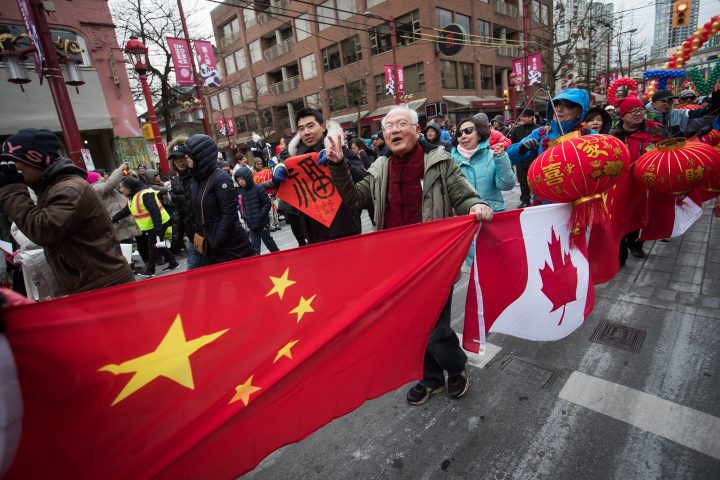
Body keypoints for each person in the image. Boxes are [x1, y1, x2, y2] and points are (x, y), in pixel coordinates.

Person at [326, 106, 493, 406]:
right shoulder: (379, 168)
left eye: (402, 124)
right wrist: (338, 164)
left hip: (435, 262)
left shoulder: (439, 162)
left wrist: (475, 205)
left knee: (435, 327)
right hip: (395, 266)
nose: (394, 130)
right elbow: (353, 197)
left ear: (417, 131)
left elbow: (463, 194)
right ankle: (431, 379)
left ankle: (455, 366)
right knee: (413, 327)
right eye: (388, 126)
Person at [0, 128, 134, 295]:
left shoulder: (68, 190)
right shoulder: (52, 188)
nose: (11, 171)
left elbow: (42, 230)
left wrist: (12, 190)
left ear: (35, 160)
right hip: (94, 282)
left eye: (13, 163)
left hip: (102, 285)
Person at [273, 107, 367, 244]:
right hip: (314, 233)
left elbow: (362, 177)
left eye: (310, 126)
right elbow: (288, 193)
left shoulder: (342, 151)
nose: (306, 132)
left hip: (346, 228)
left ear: (323, 126)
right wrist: (278, 178)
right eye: (301, 129)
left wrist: (339, 161)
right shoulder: (294, 160)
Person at [610, 96, 668, 263]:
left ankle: (636, 244)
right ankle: (620, 250)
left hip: (647, 182)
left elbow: (669, 152)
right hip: (621, 183)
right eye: (632, 111)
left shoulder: (656, 130)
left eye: (641, 110)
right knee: (621, 216)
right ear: (622, 115)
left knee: (642, 214)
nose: (638, 114)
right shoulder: (614, 134)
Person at [452, 116, 516, 265]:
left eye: (468, 131)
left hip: (493, 221)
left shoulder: (493, 155)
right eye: (459, 133)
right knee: (476, 269)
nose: (463, 136)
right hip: (467, 225)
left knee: (499, 266)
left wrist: (501, 158)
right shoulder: (450, 161)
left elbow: (507, 185)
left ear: (480, 133)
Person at [187, 134, 253, 265]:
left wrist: (217, 240)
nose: (186, 158)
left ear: (200, 155)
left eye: (189, 155)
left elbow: (229, 214)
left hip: (232, 247)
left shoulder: (220, 178)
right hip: (210, 247)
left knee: (247, 283)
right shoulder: (196, 180)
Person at [508, 88, 592, 170]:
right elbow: (508, 156)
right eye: (556, 104)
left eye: (567, 106)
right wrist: (521, 149)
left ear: (579, 113)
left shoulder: (589, 136)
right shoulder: (541, 133)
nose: (559, 109)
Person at [113, 176, 179, 277]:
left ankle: (150, 270)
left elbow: (155, 212)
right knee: (158, 244)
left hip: (159, 223)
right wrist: (114, 218)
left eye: (122, 187)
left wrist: (158, 229)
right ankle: (173, 263)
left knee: (151, 246)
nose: (120, 189)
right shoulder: (132, 196)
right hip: (152, 225)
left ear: (129, 187)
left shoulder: (145, 194)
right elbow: (126, 210)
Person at [167, 137, 202, 269]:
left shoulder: (199, 176)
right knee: (192, 270)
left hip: (209, 231)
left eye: (182, 157)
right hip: (193, 235)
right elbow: (178, 213)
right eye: (175, 159)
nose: (179, 161)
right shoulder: (175, 182)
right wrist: (175, 238)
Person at [89, 162, 140, 244]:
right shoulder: (96, 188)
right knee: (125, 249)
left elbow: (114, 182)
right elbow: (110, 183)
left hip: (122, 220)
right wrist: (119, 169)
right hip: (117, 223)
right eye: (101, 176)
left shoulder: (103, 186)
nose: (104, 176)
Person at [234, 166, 280, 255]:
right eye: (239, 180)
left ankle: (278, 256)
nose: (241, 181)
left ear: (247, 177)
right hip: (251, 223)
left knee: (268, 241)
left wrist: (260, 215)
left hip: (262, 222)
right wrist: (245, 217)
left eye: (242, 179)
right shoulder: (242, 191)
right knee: (255, 246)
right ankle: (256, 262)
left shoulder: (258, 188)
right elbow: (244, 206)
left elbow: (267, 203)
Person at [646, 89, 719, 137]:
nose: (669, 103)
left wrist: (713, 108)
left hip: (676, 154)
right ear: (654, 104)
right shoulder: (644, 118)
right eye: (665, 101)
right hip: (654, 154)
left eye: (671, 100)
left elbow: (698, 115)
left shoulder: (679, 114)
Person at [508, 109, 537, 208]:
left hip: (535, 161)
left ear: (531, 117)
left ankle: (538, 199)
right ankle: (525, 200)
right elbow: (512, 145)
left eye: (524, 116)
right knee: (523, 182)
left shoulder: (538, 130)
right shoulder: (516, 130)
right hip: (521, 161)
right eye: (521, 116)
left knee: (536, 181)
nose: (522, 118)